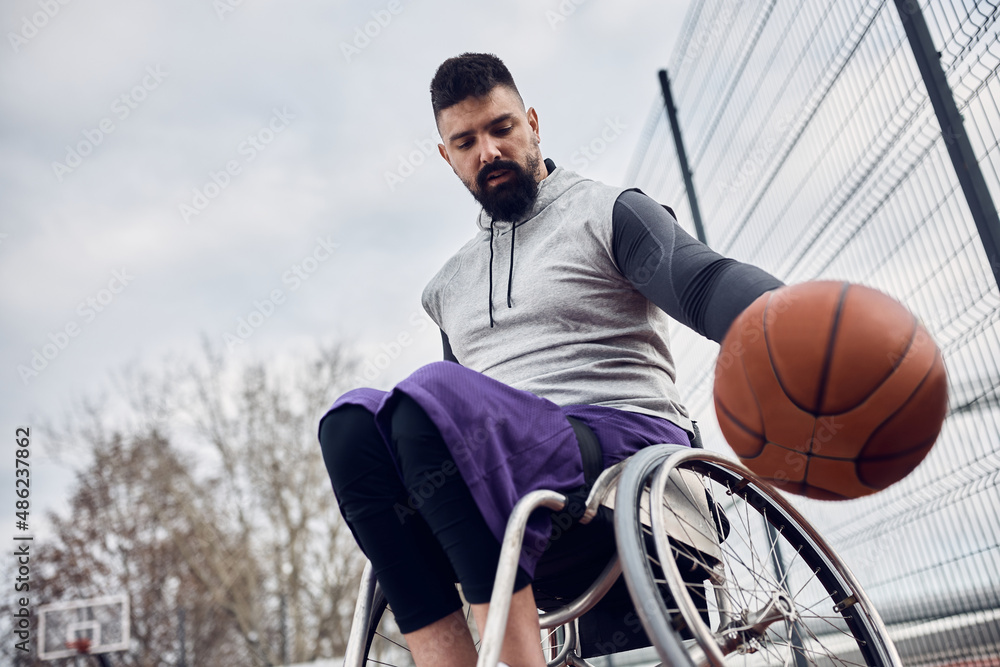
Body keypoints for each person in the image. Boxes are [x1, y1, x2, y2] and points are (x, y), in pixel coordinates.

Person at [319, 53, 783, 666]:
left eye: (501, 128)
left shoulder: (607, 211)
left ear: (533, 123)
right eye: (466, 141)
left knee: (430, 400)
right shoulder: (446, 288)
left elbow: (701, 281)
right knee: (351, 426)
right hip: (512, 474)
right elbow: (432, 428)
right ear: (446, 156)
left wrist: (790, 322)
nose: (488, 151)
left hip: (626, 448)